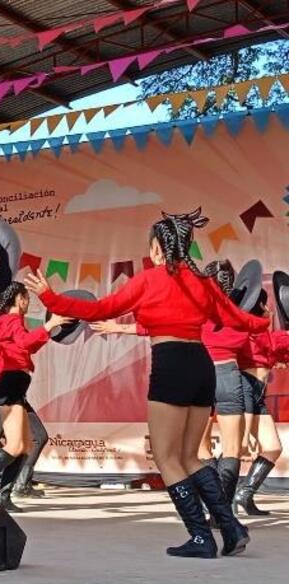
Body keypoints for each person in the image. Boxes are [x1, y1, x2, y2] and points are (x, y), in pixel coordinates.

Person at [25, 208, 269, 559]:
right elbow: (236, 318)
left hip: (171, 363)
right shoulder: (203, 282)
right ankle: (230, 528)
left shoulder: (148, 280)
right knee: (189, 456)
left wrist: (50, 298)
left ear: (157, 248)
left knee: (167, 458)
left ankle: (201, 537)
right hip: (202, 365)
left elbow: (100, 309)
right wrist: (266, 323)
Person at [92, 260, 249, 513]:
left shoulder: (196, 302)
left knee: (198, 450)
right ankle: (225, 511)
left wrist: (117, 327)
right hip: (228, 374)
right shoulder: (236, 311)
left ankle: (212, 509)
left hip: (199, 369)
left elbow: (155, 325)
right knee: (232, 447)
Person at [0, 283, 70, 513]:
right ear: (20, 299)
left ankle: (3, 496)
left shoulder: (5, 322)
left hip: (15, 385)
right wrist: (49, 325)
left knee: (24, 446)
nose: (29, 303)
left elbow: (21, 347)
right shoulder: (11, 321)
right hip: (11, 384)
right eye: (27, 298)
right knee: (14, 445)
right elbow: (24, 342)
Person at [234, 291, 286, 516]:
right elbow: (272, 345)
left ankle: (244, 494)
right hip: (244, 390)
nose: (269, 310)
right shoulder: (248, 331)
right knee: (236, 447)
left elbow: (272, 351)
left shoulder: (260, 332)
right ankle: (219, 498)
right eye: (265, 305)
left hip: (257, 394)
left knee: (273, 448)